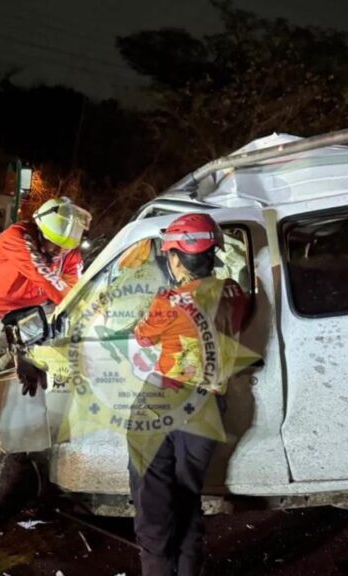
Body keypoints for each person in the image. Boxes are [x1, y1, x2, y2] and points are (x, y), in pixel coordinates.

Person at [129, 213, 249, 576]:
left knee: (153, 503)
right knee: (186, 497)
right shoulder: (233, 292)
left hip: (163, 398)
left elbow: (142, 336)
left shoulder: (168, 301)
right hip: (208, 406)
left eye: (169, 255)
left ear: (177, 258)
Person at [0, 196, 91, 373]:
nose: (59, 252)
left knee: (66, 318)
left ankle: (14, 349)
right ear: (40, 231)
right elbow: (45, 278)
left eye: (65, 247)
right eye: (54, 244)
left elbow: (74, 287)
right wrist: (85, 307)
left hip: (24, 310)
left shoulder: (69, 251)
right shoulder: (18, 237)